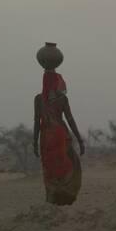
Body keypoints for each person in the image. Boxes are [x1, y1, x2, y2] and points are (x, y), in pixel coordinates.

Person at [33, 70, 84, 205]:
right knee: (69, 165)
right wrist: (79, 139)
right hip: (61, 136)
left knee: (50, 169)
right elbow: (70, 120)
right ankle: (65, 198)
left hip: (46, 138)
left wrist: (34, 142)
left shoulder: (38, 99)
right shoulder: (62, 99)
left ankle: (52, 199)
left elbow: (36, 122)